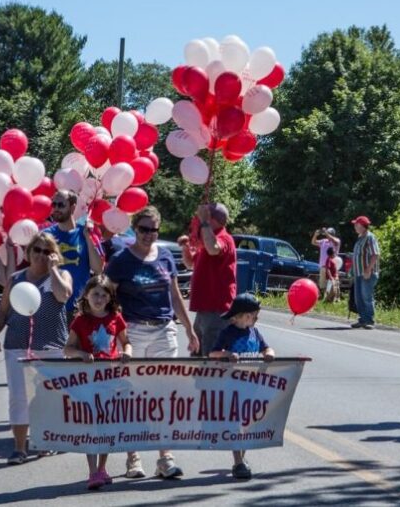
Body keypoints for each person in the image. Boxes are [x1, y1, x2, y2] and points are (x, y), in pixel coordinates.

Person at [104, 205, 198, 480]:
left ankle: (165, 457)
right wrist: (111, 330)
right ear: (135, 230)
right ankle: (133, 457)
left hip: (164, 330)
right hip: (133, 331)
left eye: (152, 230)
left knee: (164, 395)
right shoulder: (122, 259)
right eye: (143, 229)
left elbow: (175, 295)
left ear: (158, 231)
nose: (147, 234)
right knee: (132, 396)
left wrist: (190, 329)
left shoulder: (167, 257)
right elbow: (106, 295)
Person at [0, 231, 72, 465]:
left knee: (49, 397)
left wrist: (54, 270)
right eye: (37, 250)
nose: (42, 256)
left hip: (52, 347)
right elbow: (3, 311)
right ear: (28, 252)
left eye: (48, 251)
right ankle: (19, 447)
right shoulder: (15, 279)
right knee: (19, 398)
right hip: (18, 346)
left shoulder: (62, 275)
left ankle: (46, 441)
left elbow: (63, 296)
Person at [63, 275, 132, 490]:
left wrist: (127, 353)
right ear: (87, 296)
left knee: (107, 426)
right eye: (95, 294)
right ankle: (92, 471)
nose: (99, 299)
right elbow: (68, 349)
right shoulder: (80, 320)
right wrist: (81, 354)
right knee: (91, 426)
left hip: (111, 378)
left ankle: (102, 467)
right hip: (88, 380)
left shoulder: (115, 317)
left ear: (110, 298)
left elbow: (126, 342)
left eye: (104, 295)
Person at [209, 292, 276, 480]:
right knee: (236, 423)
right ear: (241, 315)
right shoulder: (228, 332)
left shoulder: (255, 332)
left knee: (248, 425)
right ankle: (238, 461)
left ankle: (241, 459)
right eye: (253, 314)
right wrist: (227, 354)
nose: (256, 318)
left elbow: (266, 347)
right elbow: (212, 354)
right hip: (232, 386)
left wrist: (269, 353)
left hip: (252, 386)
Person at [182, 202, 237, 356]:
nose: (198, 221)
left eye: (202, 217)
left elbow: (213, 249)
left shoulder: (224, 238)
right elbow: (190, 264)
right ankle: (197, 379)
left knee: (211, 359)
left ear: (212, 219)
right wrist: (185, 248)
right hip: (204, 309)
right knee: (198, 354)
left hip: (216, 310)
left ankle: (205, 381)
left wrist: (204, 221)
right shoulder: (206, 240)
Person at [44, 189, 105, 317]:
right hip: (51, 308)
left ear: (73, 208)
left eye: (61, 205)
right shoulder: (45, 235)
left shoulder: (86, 233)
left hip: (79, 309)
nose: (56, 208)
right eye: (53, 205)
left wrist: (88, 238)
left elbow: (98, 268)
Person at [350, 215, 380, 329]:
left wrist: (368, 269)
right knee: (359, 298)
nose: (354, 226)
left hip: (368, 273)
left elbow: (375, 254)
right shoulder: (360, 237)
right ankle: (362, 319)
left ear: (362, 226)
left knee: (366, 296)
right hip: (358, 273)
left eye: (356, 224)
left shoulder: (370, 237)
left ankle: (369, 320)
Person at [312, 227, 341, 294]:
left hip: (332, 266)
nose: (326, 235)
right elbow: (313, 242)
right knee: (322, 283)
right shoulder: (323, 241)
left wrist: (326, 233)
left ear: (333, 234)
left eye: (329, 233)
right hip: (323, 266)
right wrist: (315, 235)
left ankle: (333, 296)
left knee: (332, 282)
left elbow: (335, 242)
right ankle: (323, 296)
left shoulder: (336, 240)